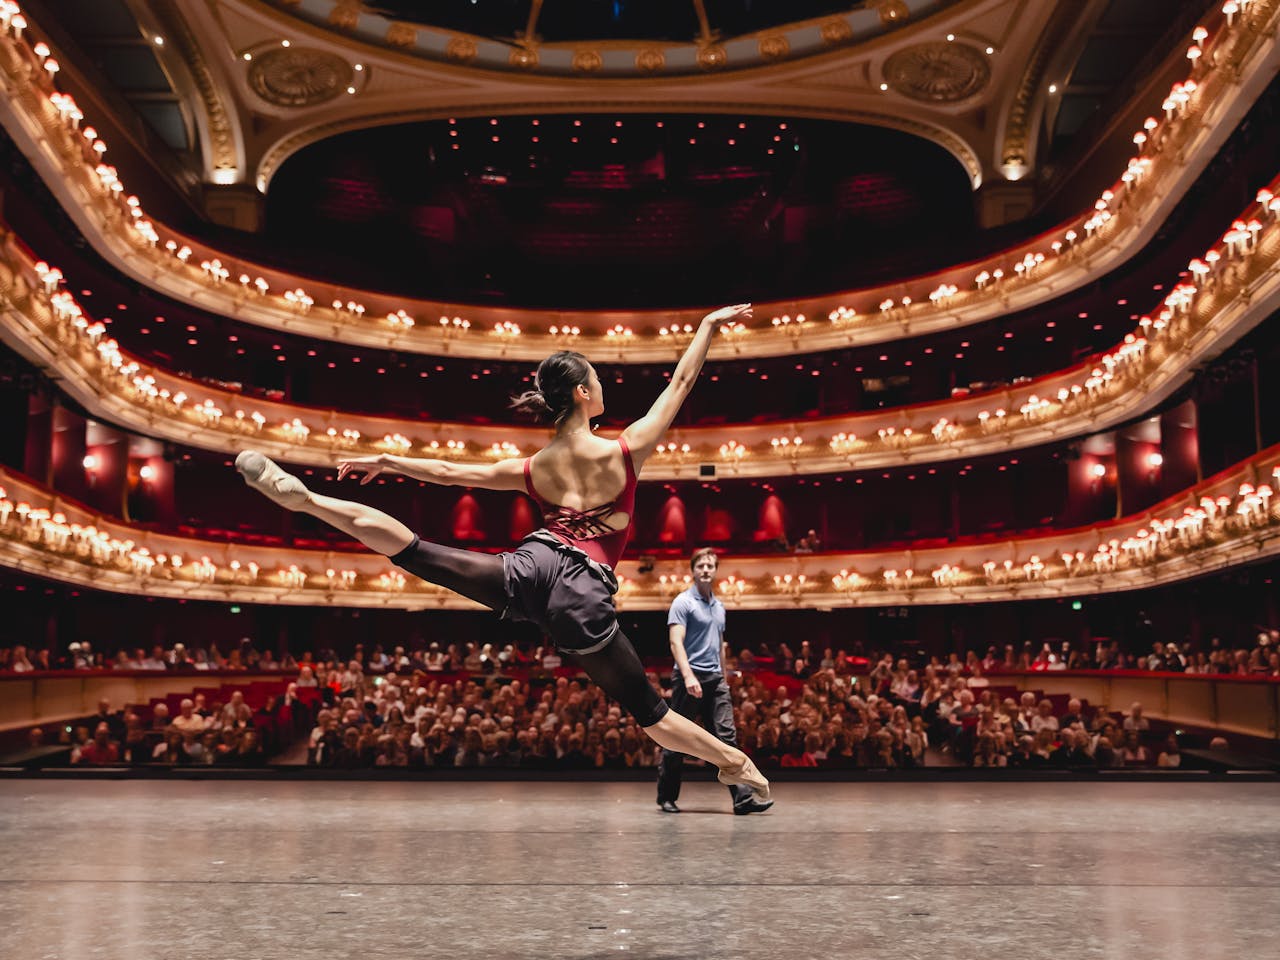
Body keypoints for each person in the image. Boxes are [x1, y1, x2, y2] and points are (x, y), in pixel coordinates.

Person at [235, 303, 769, 803]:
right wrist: (708, 327)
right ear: (583, 393)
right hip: (581, 593)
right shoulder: (626, 449)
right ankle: (735, 765)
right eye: (598, 380)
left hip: (531, 566)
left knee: (420, 554)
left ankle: (307, 500)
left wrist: (389, 459)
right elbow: (680, 382)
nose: (603, 386)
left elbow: (446, 472)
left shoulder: (532, 467)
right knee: (650, 712)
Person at [656, 547, 771, 815]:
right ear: (693, 570)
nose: (706, 569)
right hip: (689, 677)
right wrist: (688, 677)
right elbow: (676, 642)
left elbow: (719, 645)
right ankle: (666, 797)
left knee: (726, 738)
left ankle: (742, 798)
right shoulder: (683, 602)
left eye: (710, 566)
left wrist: (723, 675)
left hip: (715, 679)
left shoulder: (719, 607)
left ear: (715, 571)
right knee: (677, 739)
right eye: (701, 566)